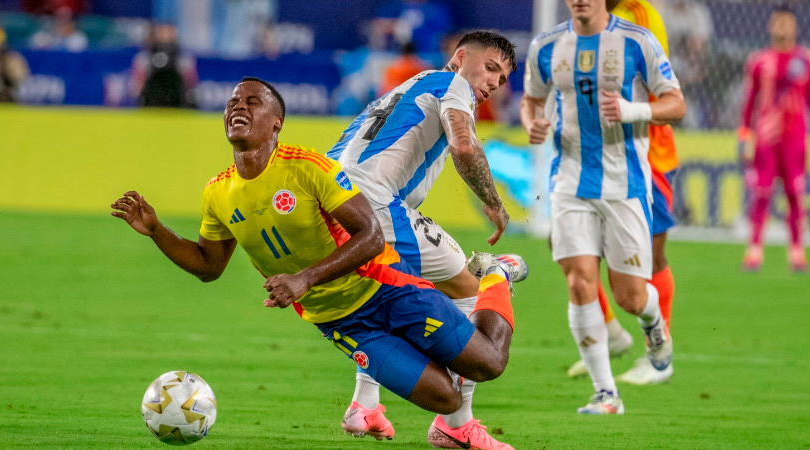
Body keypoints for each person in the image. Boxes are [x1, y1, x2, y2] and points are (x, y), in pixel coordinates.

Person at [110, 77, 519, 435]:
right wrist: (157, 232)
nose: (238, 106)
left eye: (252, 101)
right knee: (445, 398)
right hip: (344, 324)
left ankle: (496, 274)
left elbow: (372, 237)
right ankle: (391, 407)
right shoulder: (217, 193)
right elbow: (208, 266)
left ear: (276, 123)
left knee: (489, 363)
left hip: (388, 289)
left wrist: (303, 279)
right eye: (233, 102)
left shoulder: (309, 169)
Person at [328, 30, 525, 449]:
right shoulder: (454, 86)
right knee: (471, 289)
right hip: (376, 209)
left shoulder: (406, 87)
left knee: (386, 297)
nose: (493, 83)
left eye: (502, 79)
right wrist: (493, 202)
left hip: (333, 206)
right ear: (459, 57)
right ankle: (456, 424)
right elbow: (464, 146)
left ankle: (365, 405)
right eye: (490, 68)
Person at [519, 0, 685, 414]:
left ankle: (653, 325)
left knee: (630, 296)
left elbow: (676, 104)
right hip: (569, 183)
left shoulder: (638, 40)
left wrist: (634, 110)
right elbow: (531, 100)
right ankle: (605, 393)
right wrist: (531, 123)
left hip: (624, 184)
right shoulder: (546, 46)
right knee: (579, 282)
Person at [561, 0, 680, 386]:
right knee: (565, 248)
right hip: (593, 159)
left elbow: (657, 92)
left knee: (651, 259)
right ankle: (610, 334)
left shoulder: (639, 18)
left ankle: (659, 354)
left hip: (645, 158)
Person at [736, 5, 810, 272]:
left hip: (795, 140)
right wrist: (744, 135)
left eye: (787, 23)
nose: (782, 28)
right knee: (761, 193)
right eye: (778, 23)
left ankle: (797, 253)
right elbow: (748, 102)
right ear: (770, 26)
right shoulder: (758, 61)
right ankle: (754, 251)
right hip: (766, 139)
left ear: (796, 27)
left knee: (795, 195)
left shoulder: (809, 61)